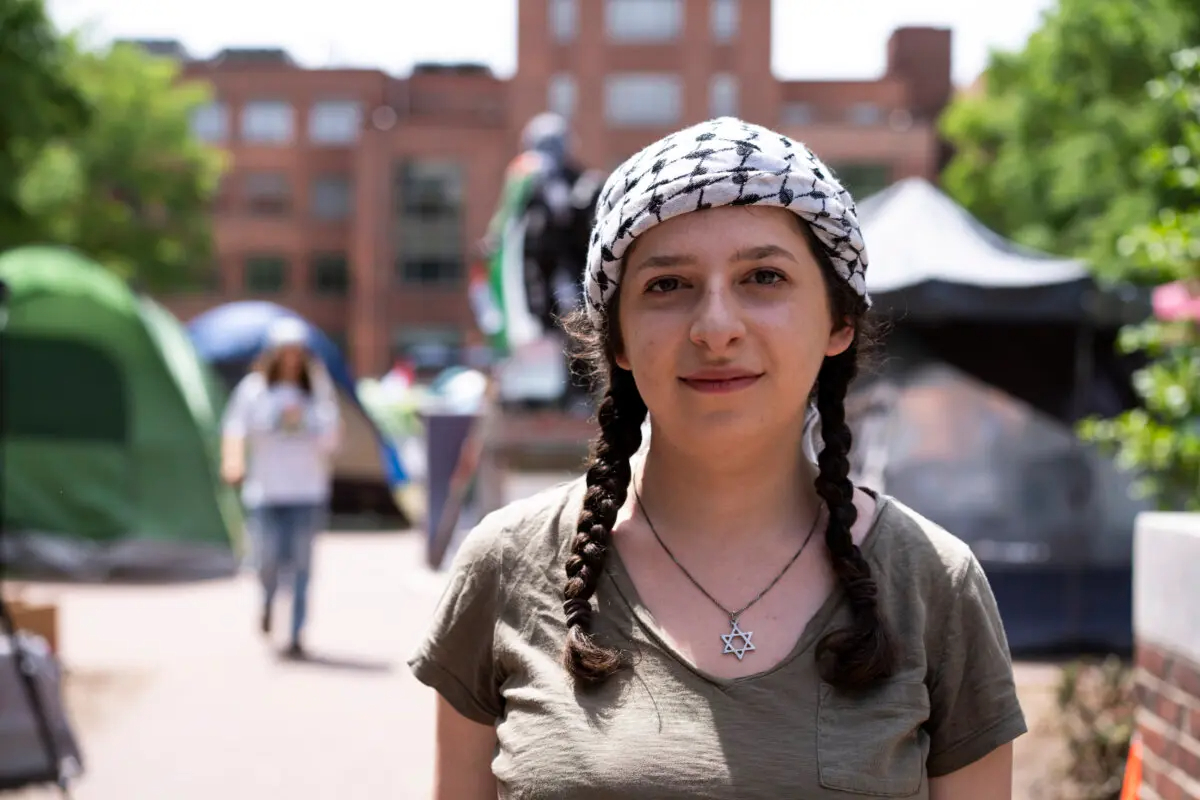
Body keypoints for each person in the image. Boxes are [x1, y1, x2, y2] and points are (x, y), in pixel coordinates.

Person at [409, 117, 1027, 799]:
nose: (716, 327)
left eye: (763, 277)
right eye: (668, 286)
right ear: (616, 339)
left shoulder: (933, 583)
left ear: (838, 324)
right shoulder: (505, 565)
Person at [220, 317, 341, 658]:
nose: (291, 359)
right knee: (267, 560)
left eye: (297, 352)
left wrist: (315, 427)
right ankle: (268, 601)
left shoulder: (317, 390)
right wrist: (233, 461)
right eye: (284, 352)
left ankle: (297, 633)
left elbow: (332, 438)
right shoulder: (254, 389)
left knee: (302, 567)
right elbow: (233, 427)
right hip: (266, 491)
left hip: (307, 492)